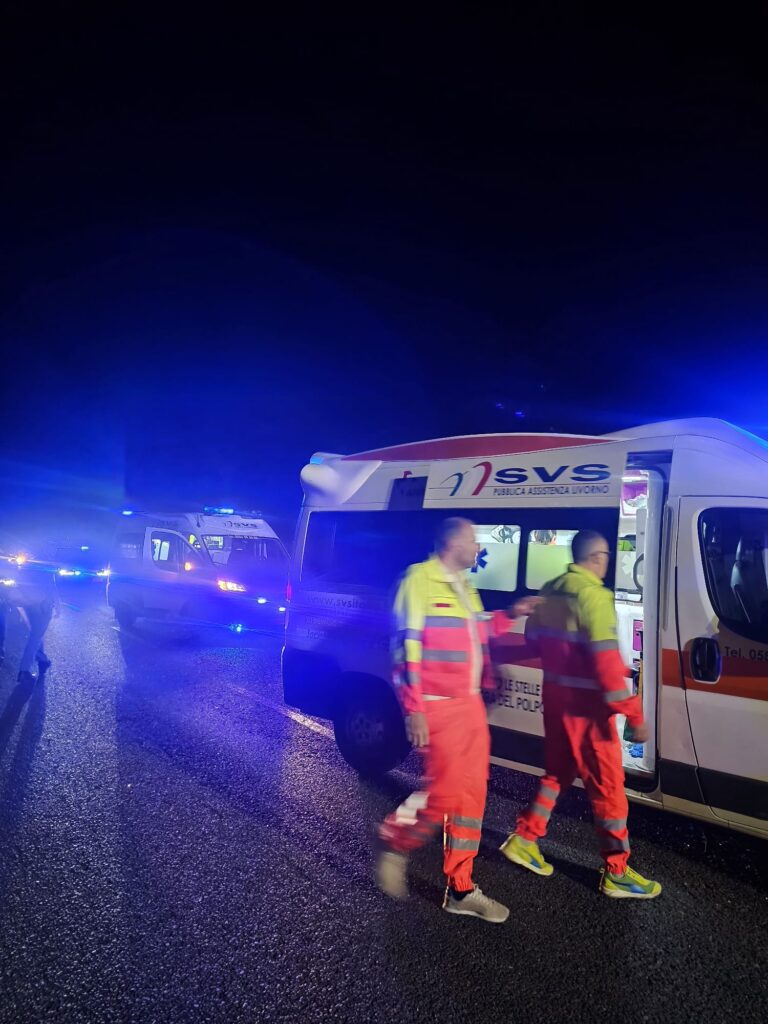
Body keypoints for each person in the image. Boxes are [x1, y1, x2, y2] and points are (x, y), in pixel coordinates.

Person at [376, 517, 531, 923]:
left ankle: (460, 888)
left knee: (471, 796)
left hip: (469, 706)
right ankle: (395, 838)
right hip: (436, 705)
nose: (478, 548)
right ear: (453, 543)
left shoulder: (464, 585)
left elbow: (479, 631)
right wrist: (414, 708)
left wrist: (512, 613)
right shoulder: (419, 580)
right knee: (444, 791)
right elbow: (404, 648)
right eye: (473, 541)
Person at [500, 529, 661, 899]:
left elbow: (532, 639)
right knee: (609, 790)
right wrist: (634, 714)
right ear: (598, 557)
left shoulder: (551, 590)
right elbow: (607, 667)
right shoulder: (595, 596)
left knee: (558, 773)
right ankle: (616, 872)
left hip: (557, 703)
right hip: (587, 712)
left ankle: (525, 838)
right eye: (607, 557)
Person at [0, 556, 59, 683]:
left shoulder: (29, 562)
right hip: (43, 606)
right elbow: (51, 586)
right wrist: (58, 606)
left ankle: (42, 660)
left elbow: (19, 583)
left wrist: (16, 601)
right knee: (35, 637)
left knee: (36, 634)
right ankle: (24, 670)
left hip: (28, 604)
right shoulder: (46, 562)